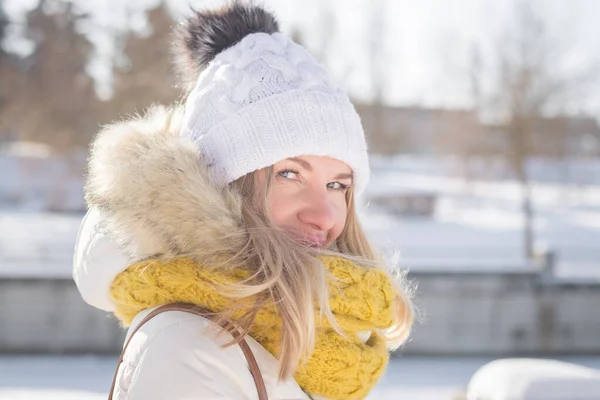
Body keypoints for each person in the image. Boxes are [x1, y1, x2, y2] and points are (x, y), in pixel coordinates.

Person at [73, 2, 414, 399]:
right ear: (224, 187)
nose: (324, 215)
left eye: (338, 185)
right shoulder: (188, 348)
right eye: (289, 174)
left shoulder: (327, 335)